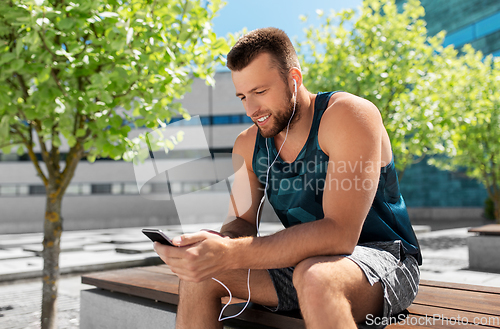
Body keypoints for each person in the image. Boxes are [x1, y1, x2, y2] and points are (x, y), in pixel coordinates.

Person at [153, 27, 422, 329]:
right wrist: (212, 247)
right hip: (302, 263)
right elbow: (240, 223)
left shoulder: (348, 115)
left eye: (260, 92)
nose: (251, 109)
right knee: (200, 274)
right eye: (243, 96)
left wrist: (230, 253)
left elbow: (340, 234)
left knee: (316, 277)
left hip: (386, 260)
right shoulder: (247, 145)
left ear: (293, 80)